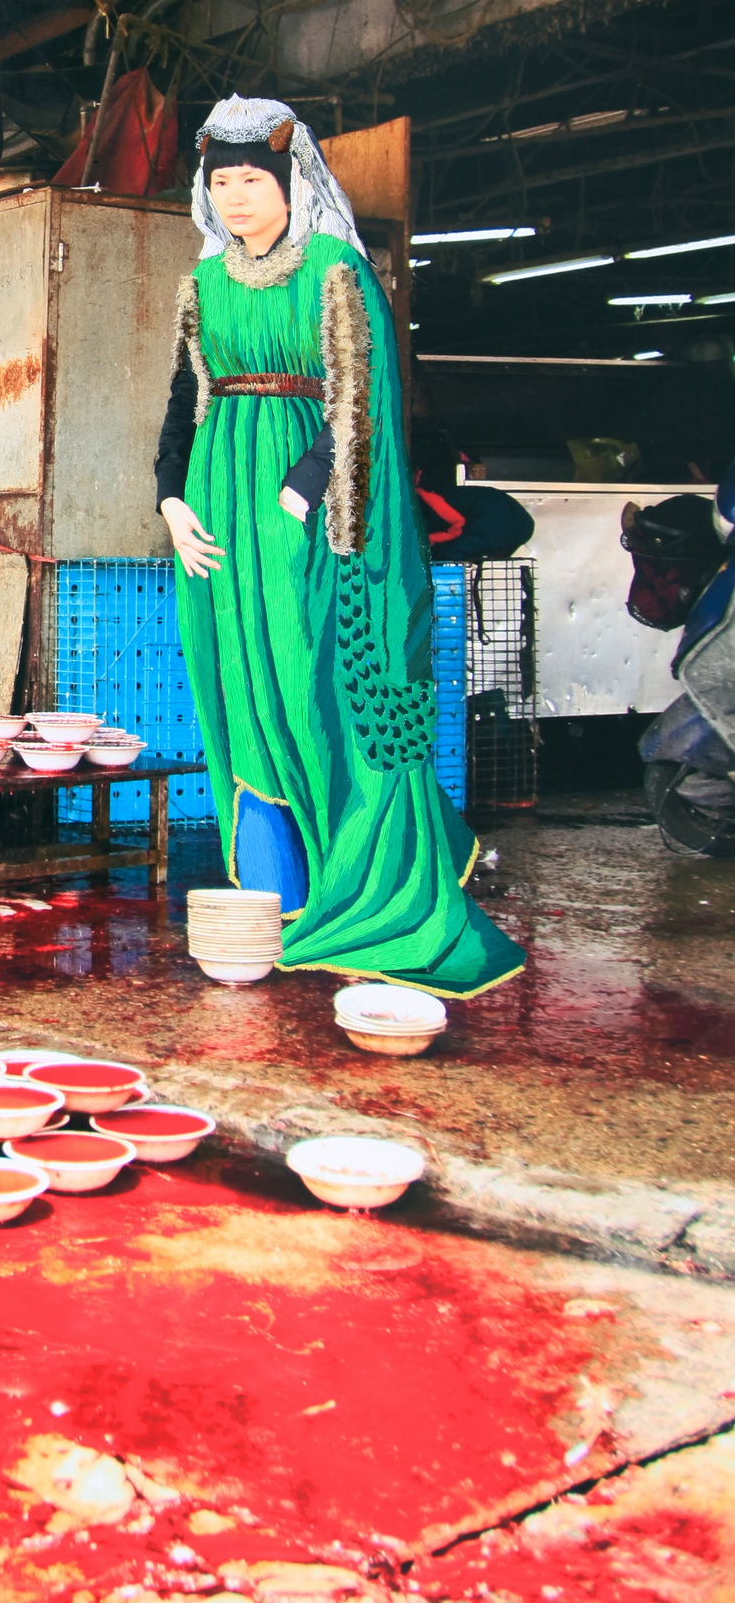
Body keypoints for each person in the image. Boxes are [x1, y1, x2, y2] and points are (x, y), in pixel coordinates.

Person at [154, 95, 524, 998]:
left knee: (308, 668)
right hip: (214, 509)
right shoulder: (200, 283)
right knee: (238, 680)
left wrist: (305, 488)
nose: (235, 197)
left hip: (305, 511)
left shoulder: (332, 271)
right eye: (220, 182)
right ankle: (277, 887)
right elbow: (181, 400)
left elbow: (359, 400)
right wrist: (169, 498)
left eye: (251, 179)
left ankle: (353, 869)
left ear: (287, 181)